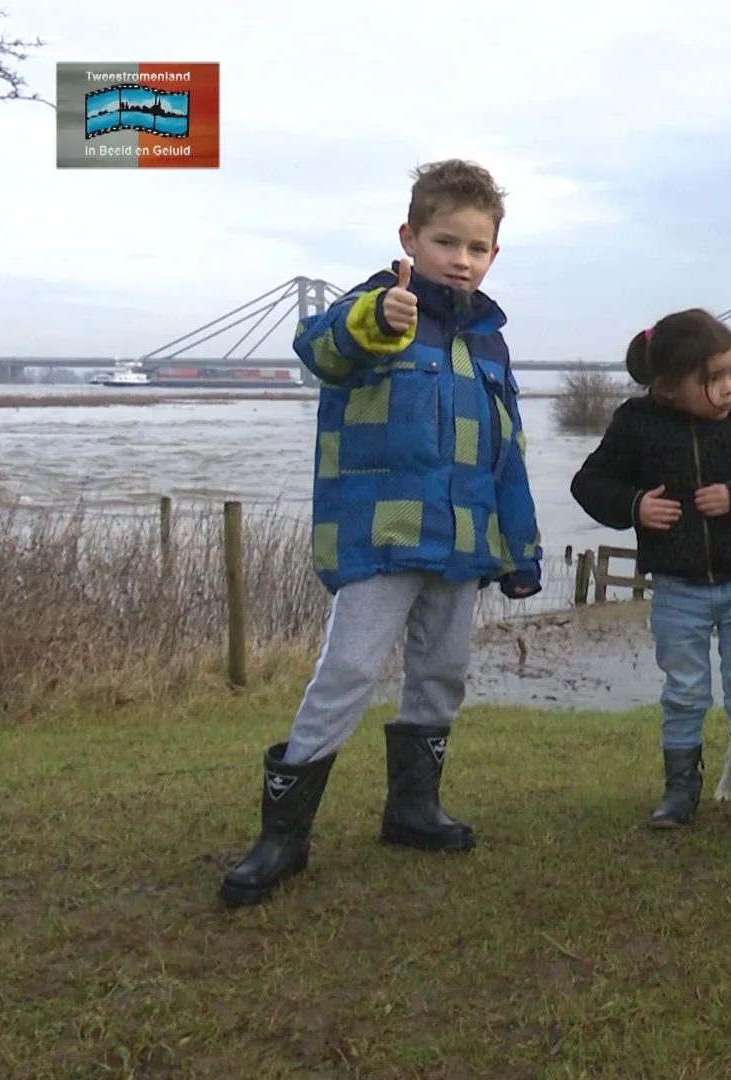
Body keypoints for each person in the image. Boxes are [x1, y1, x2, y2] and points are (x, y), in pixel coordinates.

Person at [219, 159, 543, 907]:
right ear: (409, 237)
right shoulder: (374, 310)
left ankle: (412, 810)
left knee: (442, 673)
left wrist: (518, 548)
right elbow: (319, 351)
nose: (461, 260)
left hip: (463, 542)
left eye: (477, 247)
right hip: (381, 537)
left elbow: (509, 453)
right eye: (445, 242)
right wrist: (375, 320)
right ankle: (283, 836)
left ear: (494, 253)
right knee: (350, 672)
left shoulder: (490, 344)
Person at [569, 308, 731, 828]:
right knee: (685, 691)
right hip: (677, 589)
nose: (729, 388)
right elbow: (587, 485)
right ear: (670, 386)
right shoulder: (635, 424)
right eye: (713, 379)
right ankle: (680, 792)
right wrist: (635, 507)